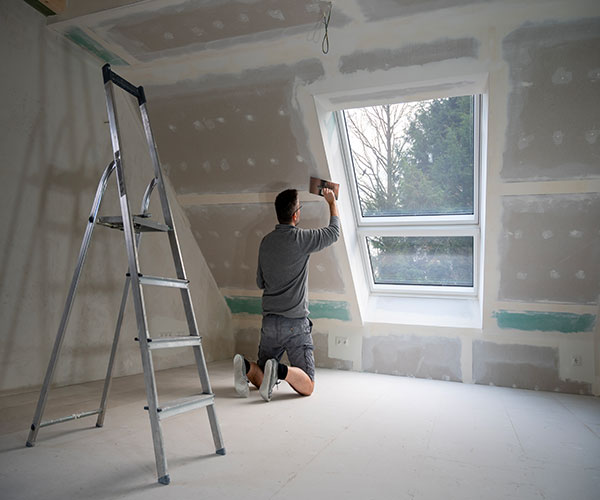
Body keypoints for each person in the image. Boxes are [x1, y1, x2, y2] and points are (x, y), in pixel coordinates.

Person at [233, 187, 340, 401]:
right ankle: (281, 371)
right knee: (308, 385)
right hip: (295, 324)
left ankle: (245, 367)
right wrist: (331, 202)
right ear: (295, 214)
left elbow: (260, 282)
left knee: (261, 376)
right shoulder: (302, 239)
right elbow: (334, 232)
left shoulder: (265, 242)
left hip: (270, 323)